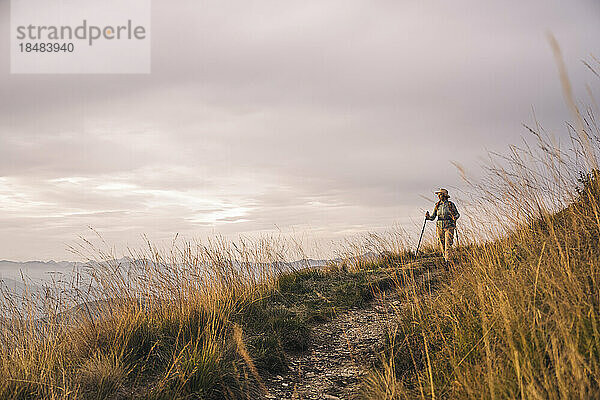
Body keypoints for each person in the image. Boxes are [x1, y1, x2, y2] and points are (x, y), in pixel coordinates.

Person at [426, 188, 460, 262]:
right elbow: (433, 217)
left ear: (444, 195)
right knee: (442, 244)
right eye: (438, 194)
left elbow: (457, 214)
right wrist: (428, 217)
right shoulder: (437, 205)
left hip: (449, 226)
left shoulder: (451, 204)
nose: (438, 195)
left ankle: (448, 261)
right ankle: (445, 259)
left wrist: (455, 217)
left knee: (448, 244)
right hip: (440, 226)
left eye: (440, 194)